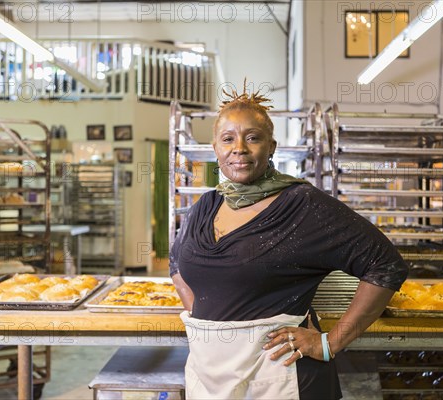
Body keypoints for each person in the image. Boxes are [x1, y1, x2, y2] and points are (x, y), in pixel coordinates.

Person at [169, 84, 408, 399]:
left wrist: (329, 342)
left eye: (253, 137)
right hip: (211, 373)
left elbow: (386, 265)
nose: (239, 148)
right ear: (215, 148)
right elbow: (177, 263)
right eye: (228, 139)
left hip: (282, 374)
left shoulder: (303, 205)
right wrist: (211, 326)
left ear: (271, 146)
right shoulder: (206, 206)